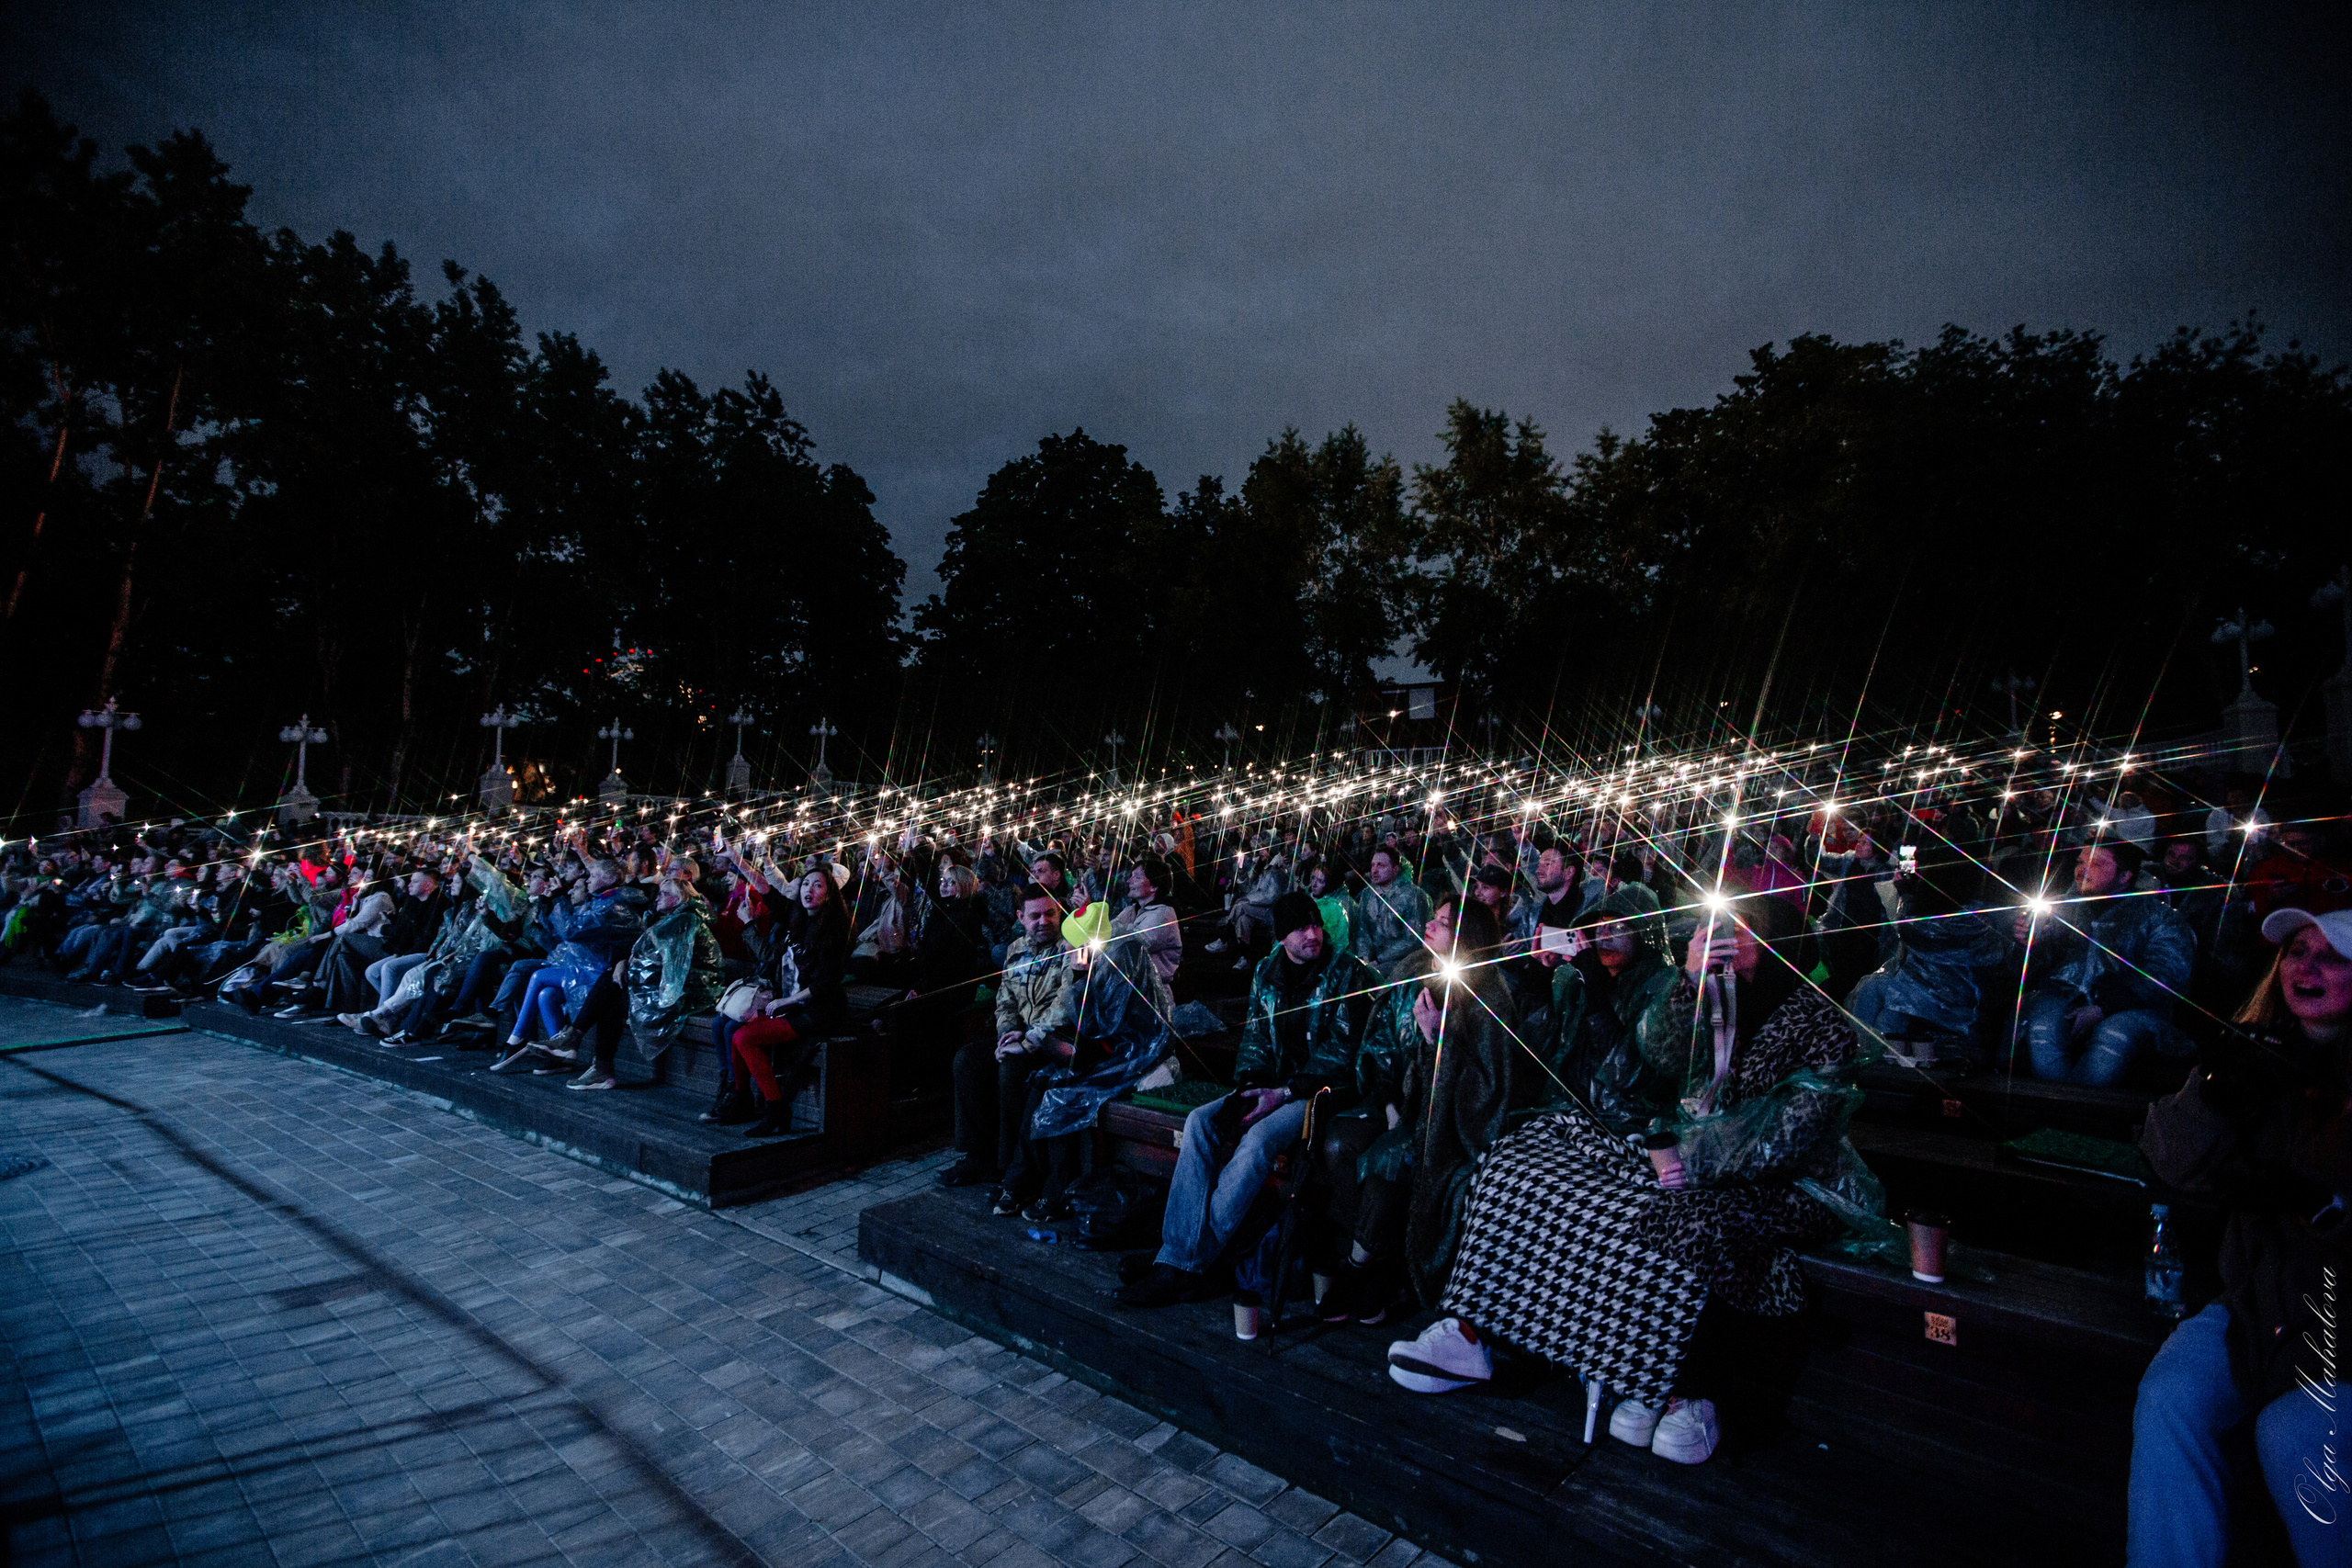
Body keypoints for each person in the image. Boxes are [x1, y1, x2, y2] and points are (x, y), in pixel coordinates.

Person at [1388, 894, 1869, 1472]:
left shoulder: (1821, 1025)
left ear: (1776, 946)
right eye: (1715, 931)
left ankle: (1678, 1385)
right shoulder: (1708, 994)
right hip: (1674, 1152)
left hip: (1790, 1185)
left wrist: (1679, 1155)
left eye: (1739, 934)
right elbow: (1655, 1060)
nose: (1722, 944)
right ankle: (1477, 1332)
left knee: (1674, 1216)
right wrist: (1690, 986)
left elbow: (1788, 1142)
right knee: (1517, 1158)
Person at [2130, 905, 2352, 1568]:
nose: (2305, 966)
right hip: (2256, 1300)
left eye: (2332, 955)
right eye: (2295, 950)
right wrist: (2218, 1090)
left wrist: (2320, 1205)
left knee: (2299, 1432)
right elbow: (2169, 1157)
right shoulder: (2259, 1050)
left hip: (2336, 1310)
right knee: (2170, 1394)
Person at [1121, 890, 1370, 1307]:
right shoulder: (1267, 972)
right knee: (1201, 1122)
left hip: (1318, 1095)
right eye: (1300, 928)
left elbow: (1342, 1051)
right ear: (1282, 937)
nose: (1313, 935)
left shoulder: (1346, 974)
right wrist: (1248, 1086)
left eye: (1316, 925)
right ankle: (1179, 1254)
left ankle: (1183, 1262)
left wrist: (1285, 1092)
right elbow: (1255, 1036)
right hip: (1272, 1086)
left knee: (1257, 1143)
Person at [1317, 896, 1517, 1324]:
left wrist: (1436, 1042)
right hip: (1397, 1104)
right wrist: (1389, 1098)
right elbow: (1381, 1045)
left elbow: (1487, 1092)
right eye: (1436, 917)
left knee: (1388, 1159)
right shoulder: (1411, 971)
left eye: (1443, 923)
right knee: (1339, 1142)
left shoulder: (1490, 997)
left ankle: (1359, 1270)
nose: (1430, 924)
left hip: (1447, 1121)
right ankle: (1379, 1260)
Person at [993, 901, 1174, 1222]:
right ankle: (1019, 1181)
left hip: (1133, 1051)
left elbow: (1102, 1023)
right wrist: (1078, 978)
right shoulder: (1090, 954)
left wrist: (1080, 978)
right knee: (1039, 1081)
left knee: (1063, 1094)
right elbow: (1077, 1017)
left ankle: (1057, 1189)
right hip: (1101, 1047)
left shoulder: (1124, 953)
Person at [2011, 840, 2196, 1085]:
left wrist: (2104, 1008)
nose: (2083, 870)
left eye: (2096, 863)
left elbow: (2164, 976)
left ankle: (2076, 1111)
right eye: (2080, 861)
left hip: (2134, 1008)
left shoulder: (2158, 918)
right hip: (2064, 997)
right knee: (2043, 1027)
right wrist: (2031, 944)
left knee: (2113, 1036)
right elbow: (2030, 971)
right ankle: (2061, 1107)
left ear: (2125, 876)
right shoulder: (2061, 911)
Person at [939, 886, 1070, 1189]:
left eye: (1050, 914)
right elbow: (1006, 1001)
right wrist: (1005, 1037)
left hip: (1055, 1040)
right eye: (1034, 915)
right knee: (967, 1060)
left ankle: (1008, 1162)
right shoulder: (1015, 950)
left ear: (1059, 913)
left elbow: (1064, 1006)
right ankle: (977, 1154)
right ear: (1021, 917)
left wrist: (1023, 1045)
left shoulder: (1069, 949)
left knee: (1011, 1070)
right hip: (1022, 1034)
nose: (1043, 921)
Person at [730, 867, 853, 1138]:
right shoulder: (797, 919)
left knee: (744, 1038)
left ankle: (776, 1109)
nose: (809, 889)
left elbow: (823, 985)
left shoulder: (835, 929)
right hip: (794, 1005)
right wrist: (735, 858)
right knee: (735, 1031)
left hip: (818, 1011)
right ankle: (742, 1100)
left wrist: (787, 1000)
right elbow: (768, 892)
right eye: (806, 883)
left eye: (818, 886)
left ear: (829, 894)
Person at [1353, 846, 1431, 972]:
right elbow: (1363, 930)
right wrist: (1366, 959)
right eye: (1373, 865)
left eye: (1381, 866)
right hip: (1373, 961)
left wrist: (1379, 960)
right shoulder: (1367, 893)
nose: (1374, 870)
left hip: (1403, 963)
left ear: (1395, 869)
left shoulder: (1414, 895)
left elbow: (1412, 940)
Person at [1111, 855, 1182, 986]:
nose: (1129, 881)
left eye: (1137, 877)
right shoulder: (1132, 910)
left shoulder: (1163, 914)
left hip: (1153, 992)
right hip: (1130, 984)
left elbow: (1137, 942)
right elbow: (1109, 929)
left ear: (1154, 886)